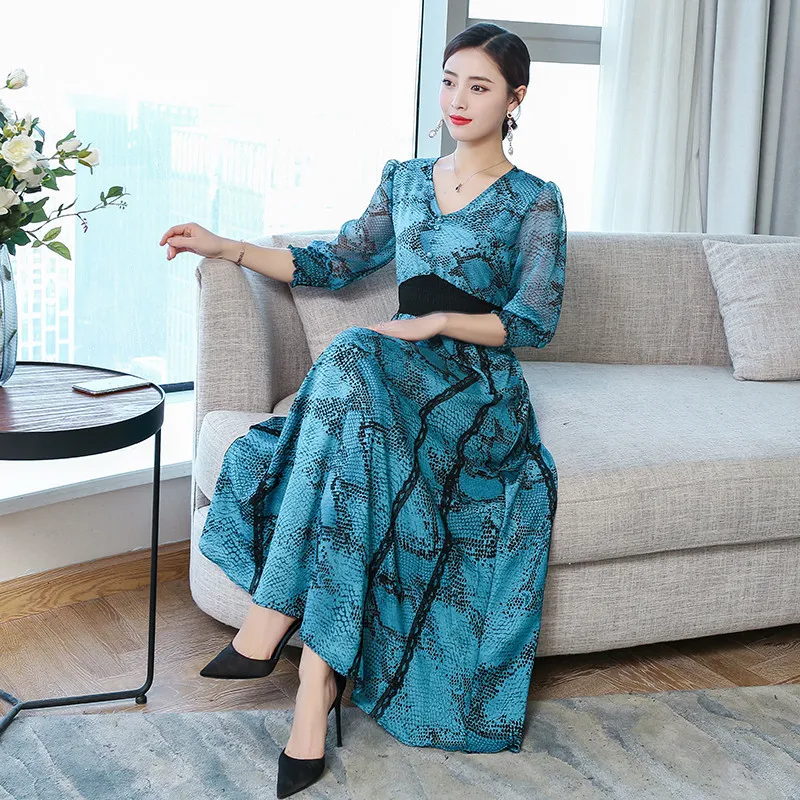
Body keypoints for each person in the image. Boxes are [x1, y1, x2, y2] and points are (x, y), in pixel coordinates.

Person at [159, 21, 566, 799]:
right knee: (357, 399)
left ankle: (274, 625)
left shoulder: (533, 201)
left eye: (479, 86)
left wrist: (440, 321)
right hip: (392, 370)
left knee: (353, 359)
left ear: (515, 99)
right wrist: (229, 247)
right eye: (449, 80)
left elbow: (535, 320)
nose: (457, 99)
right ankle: (315, 683)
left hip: (476, 390)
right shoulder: (405, 180)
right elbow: (336, 261)